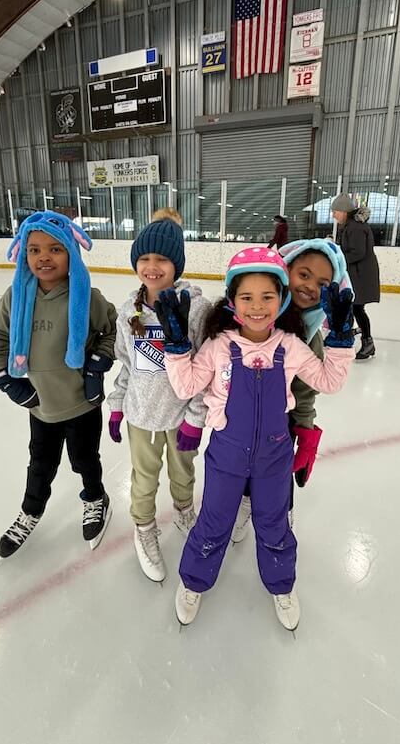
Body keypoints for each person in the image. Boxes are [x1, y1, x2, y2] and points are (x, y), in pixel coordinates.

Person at [155, 247, 355, 630]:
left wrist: (341, 341)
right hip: (226, 454)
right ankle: (194, 582)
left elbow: (330, 381)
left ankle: (281, 585)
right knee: (213, 523)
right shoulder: (220, 346)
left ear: (281, 299)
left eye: (268, 296)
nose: (257, 306)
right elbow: (185, 387)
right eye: (247, 297)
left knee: (274, 524)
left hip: (274, 457)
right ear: (232, 301)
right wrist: (178, 348)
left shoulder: (289, 346)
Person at [0, 210, 117, 560]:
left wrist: (95, 368)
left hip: (82, 403)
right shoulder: (15, 297)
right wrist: (6, 379)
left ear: (71, 254)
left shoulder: (87, 297)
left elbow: (111, 331)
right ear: (23, 254)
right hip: (40, 404)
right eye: (34, 249)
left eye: (55, 249)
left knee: (84, 458)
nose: (44, 257)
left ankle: (95, 498)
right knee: (40, 464)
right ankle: (31, 511)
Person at [106, 211, 211, 583]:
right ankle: (144, 527)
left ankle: (184, 510)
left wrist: (197, 419)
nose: (152, 267)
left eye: (162, 259)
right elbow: (127, 366)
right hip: (140, 416)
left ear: (177, 264)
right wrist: (117, 407)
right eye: (144, 258)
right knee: (144, 479)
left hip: (181, 416)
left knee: (183, 473)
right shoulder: (127, 312)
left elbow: (205, 371)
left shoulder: (197, 310)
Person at [230, 238, 352, 542]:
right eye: (305, 274)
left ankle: (281, 512)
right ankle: (245, 500)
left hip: (277, 420)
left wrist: (305, 432)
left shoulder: (308, 336)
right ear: (286, 270)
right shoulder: (253, 310)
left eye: (323, 283)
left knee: (278, 473)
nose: (310, 286)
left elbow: (308, 390)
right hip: (240, 414)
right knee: (243, 466)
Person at [331, 194, 380, 360]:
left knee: (356, 308)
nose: (333, 215)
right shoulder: (351, 225)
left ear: (344, 211)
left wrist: (338, 258)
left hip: (360, 275)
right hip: (358, 273)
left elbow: (358, 252)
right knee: (354, 308)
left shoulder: (355, 227)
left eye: (335, 211)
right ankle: (354, 339)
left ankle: (367, 343)